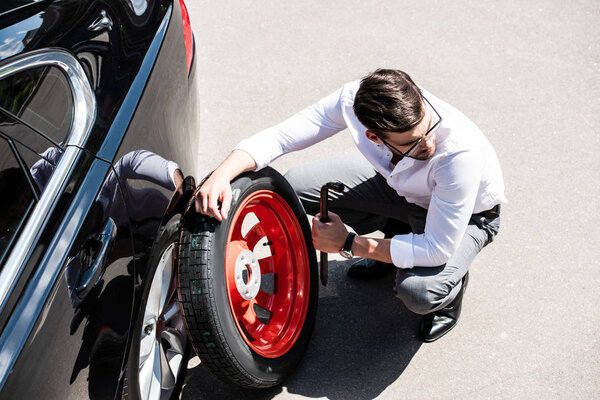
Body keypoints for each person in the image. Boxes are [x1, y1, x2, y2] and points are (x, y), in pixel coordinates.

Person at [196, 69, 506, 342]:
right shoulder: (354, 100)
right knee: (300, 185)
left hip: (470, 217)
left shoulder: (457, 155)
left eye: (428, 126)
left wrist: (349, 243)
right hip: (402, 190)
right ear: (374, 137)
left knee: (419, 291)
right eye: (412, 141)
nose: (428, 143)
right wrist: (221, 174)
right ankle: (397, 238)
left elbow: (437, 248)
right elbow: (281, 137)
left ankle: (449, 290)